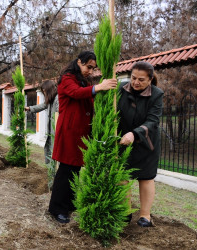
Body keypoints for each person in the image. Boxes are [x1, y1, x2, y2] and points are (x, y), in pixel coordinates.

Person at [49, 51, 118, 223]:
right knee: (65, 170)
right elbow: (77, 93)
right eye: (88, 67)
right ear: (79, 61)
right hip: (69, 131)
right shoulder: (67, 79)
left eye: (93, 68)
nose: (91, 71)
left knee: (75, 169)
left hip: (81, 132)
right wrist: (99, 87)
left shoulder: (82, 80)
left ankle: (69, 204)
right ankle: (57, 208)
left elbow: (87, 99)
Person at [118, 61, 164, 227]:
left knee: (145, 178)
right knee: (122, 177)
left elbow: (153, 121)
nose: (136, 82)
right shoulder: (120, 89)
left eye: (141, 80)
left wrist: (134, 133)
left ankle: (145, 216)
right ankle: (124, 212)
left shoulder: (157, 95)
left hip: (146, 143)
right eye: (133, 78)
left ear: (150, 79)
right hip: (124, 142)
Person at [25, 80, 59, 165]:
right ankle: (52, 172)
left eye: (45, 91)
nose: (44, 93)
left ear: (49, 89)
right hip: (51, 132)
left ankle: (54, 173)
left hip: (57, 132)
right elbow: (43, 105)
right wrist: (30, 108)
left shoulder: (58, 99)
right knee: (50, 150)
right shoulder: (50, 100)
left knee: (55, 152)